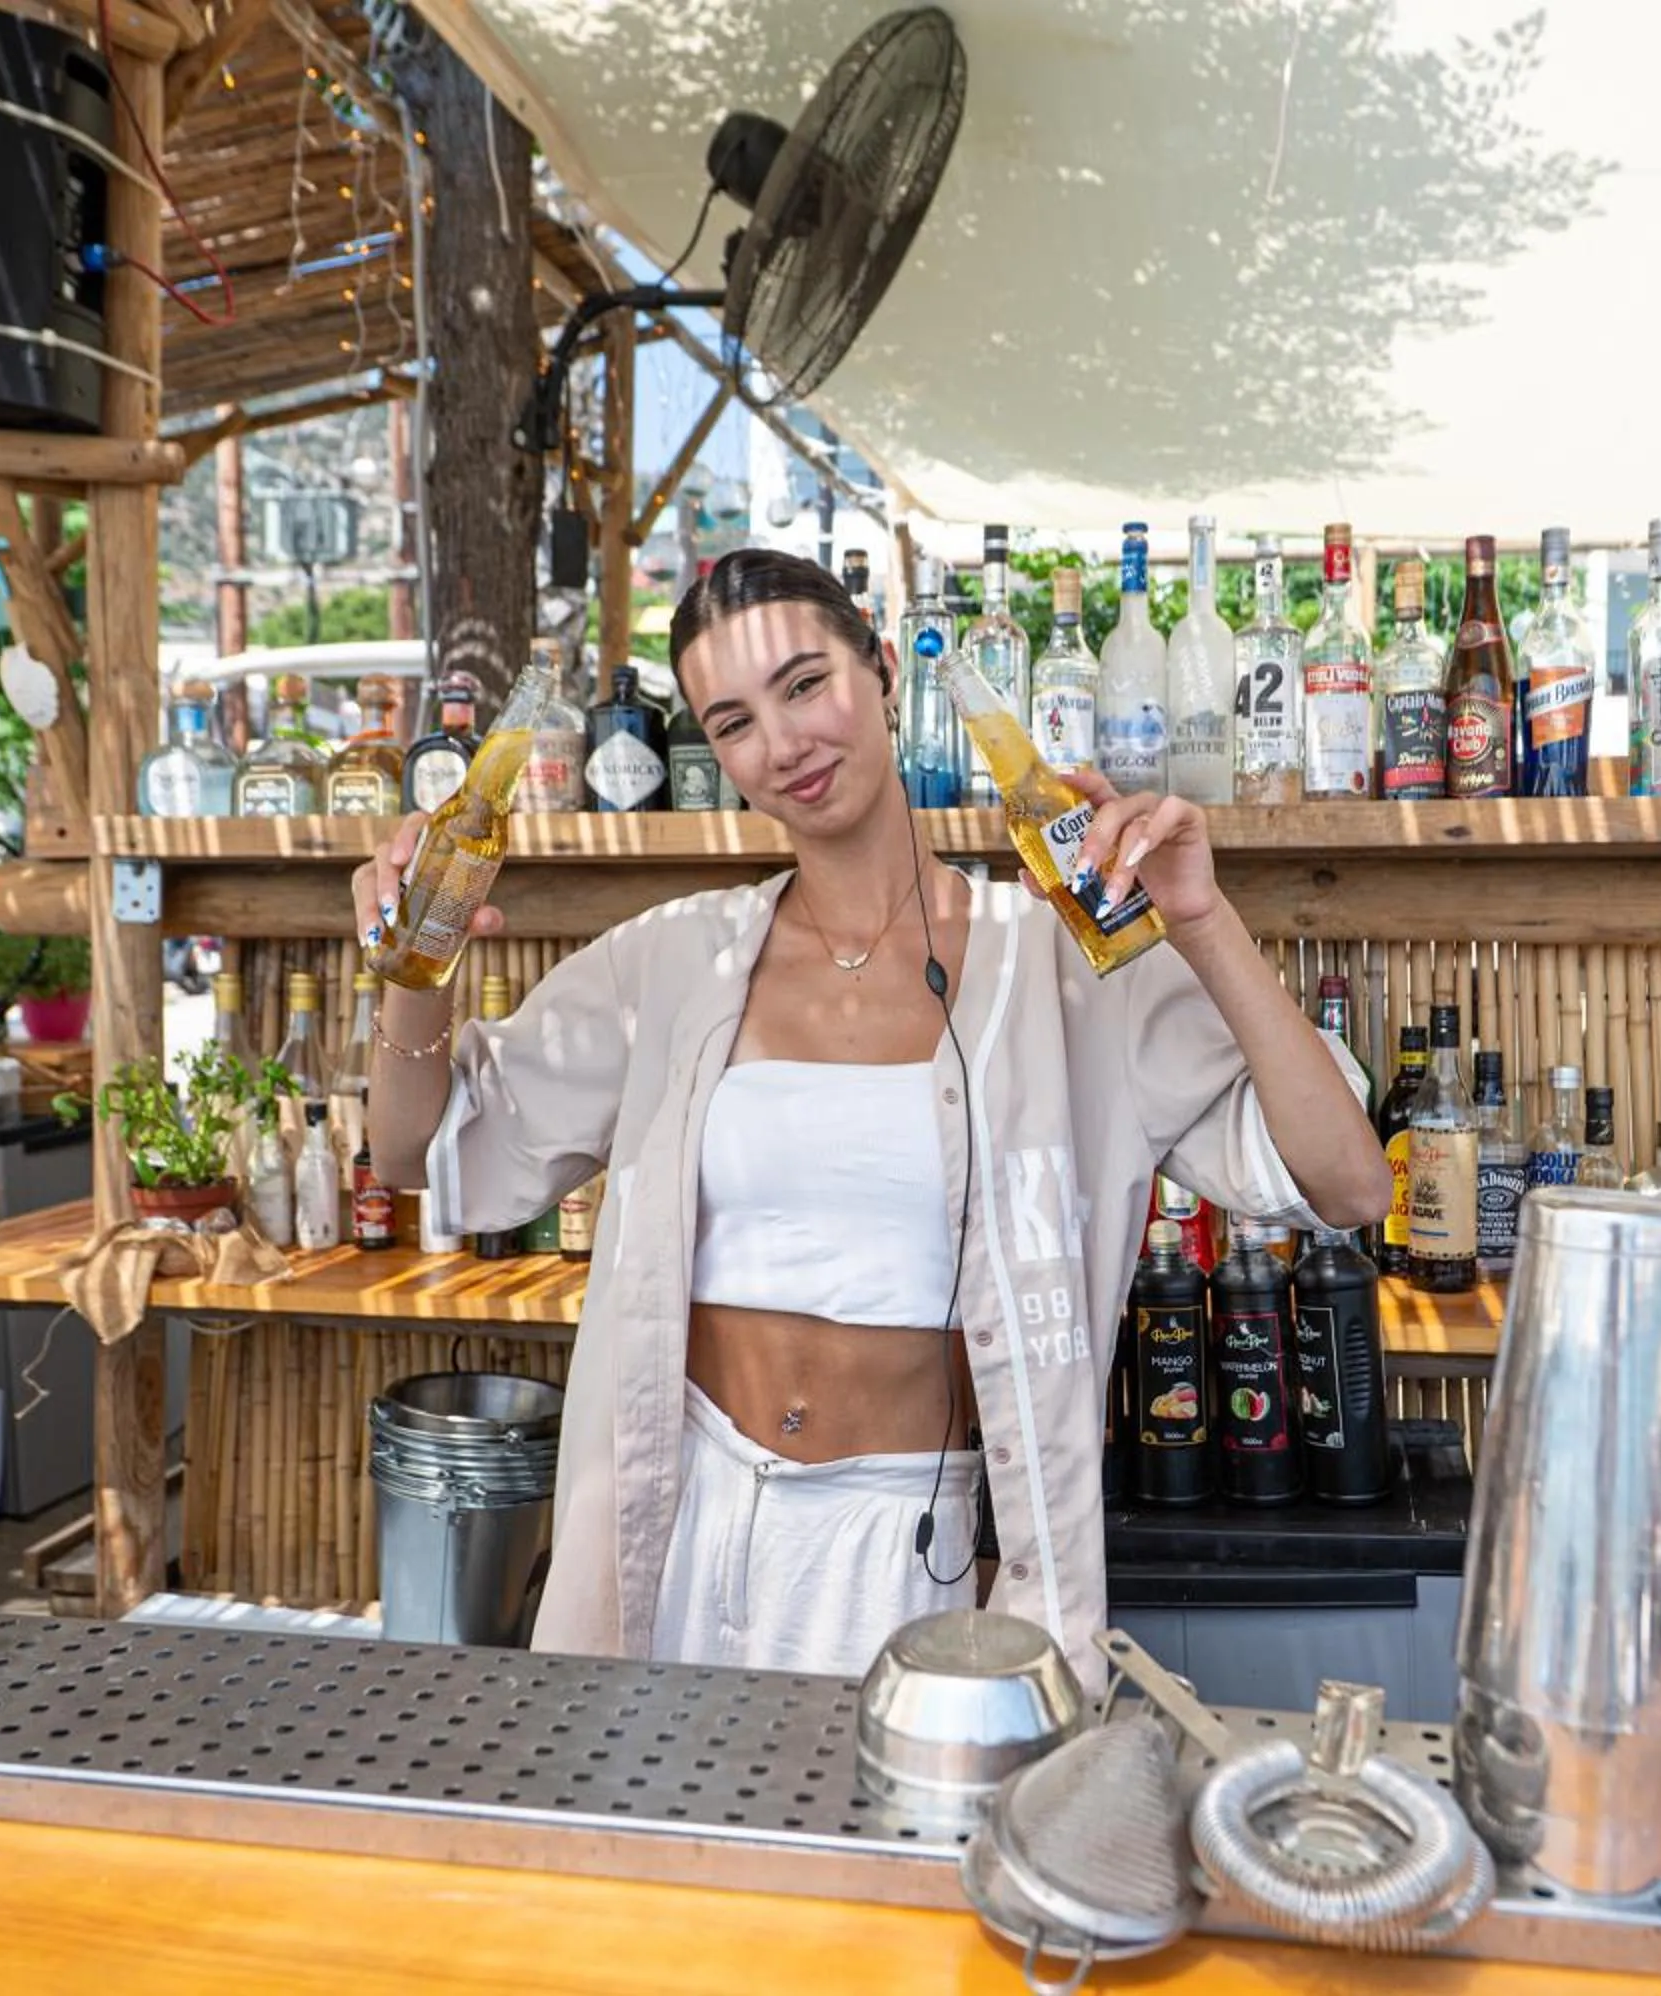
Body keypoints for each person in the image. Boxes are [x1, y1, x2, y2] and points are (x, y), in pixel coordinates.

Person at [359, 549, 1384, 1682]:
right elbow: (417, 1151)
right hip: (681, 1520)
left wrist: (1199, 916)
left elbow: (1348, 1182)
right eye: (735, 721)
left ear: (885, 672)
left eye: (806, 685)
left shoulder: (1055, 963)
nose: (784, 745)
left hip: (914, 1555)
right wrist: (417, 959)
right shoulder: (670, 961)